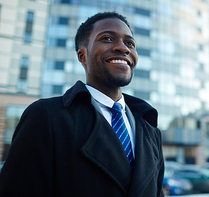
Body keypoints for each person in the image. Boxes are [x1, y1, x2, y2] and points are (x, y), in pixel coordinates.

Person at [0, 12, 164, 197]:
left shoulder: (149, 128)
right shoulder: (46, 116)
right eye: (108, 38)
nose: (122, 48)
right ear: (82, 55)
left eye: (130, 43)